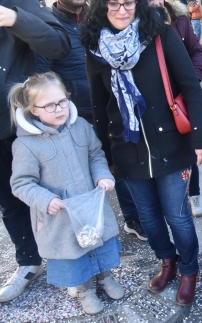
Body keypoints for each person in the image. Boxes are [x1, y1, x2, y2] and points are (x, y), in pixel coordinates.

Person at [81, 0, 202, 305]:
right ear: (102, 5)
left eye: (128, 2)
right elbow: (99, 103)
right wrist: (105, 155)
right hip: (127, 147)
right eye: (114, 3)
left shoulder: (159, 34)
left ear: (136, 4)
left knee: (177, 215)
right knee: (148, 218)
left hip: (171, 143)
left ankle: (188, 269)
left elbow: (190, 87)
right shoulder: (96, 46)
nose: (122, 10)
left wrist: (201, 139)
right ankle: (166, 261)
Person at [9, 72, 124, 315]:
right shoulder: (26, 145)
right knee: (75, 254)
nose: (59, 108)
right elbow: (21, 183)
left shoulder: (80, 126)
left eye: (62, 101)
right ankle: (85, 289)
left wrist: (102, 174)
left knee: (99, 243)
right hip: (60, 215)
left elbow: (95, 155)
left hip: (90, 207)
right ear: (33, 110)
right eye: (49, 105)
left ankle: (105, 277)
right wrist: (44, 199)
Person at [0, 0, 71, 303]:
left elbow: (58, 43)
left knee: (53, 195)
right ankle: (29, 262)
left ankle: (72, 263)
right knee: (8, 201)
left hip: (21, 126)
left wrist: (15, 19)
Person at [139, 0, 202, 217]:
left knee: (189, 144)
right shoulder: (138, 27)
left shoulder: (179, 21)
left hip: (181, 95)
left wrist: (194, 77)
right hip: (156, 97)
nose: (157, 2)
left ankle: (194, 193)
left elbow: (196, 51)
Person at [36, 0, 93, 124]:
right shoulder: (48, 27)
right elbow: (43, 80)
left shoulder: (101, 20)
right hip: (75, 118)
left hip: (110, 111)